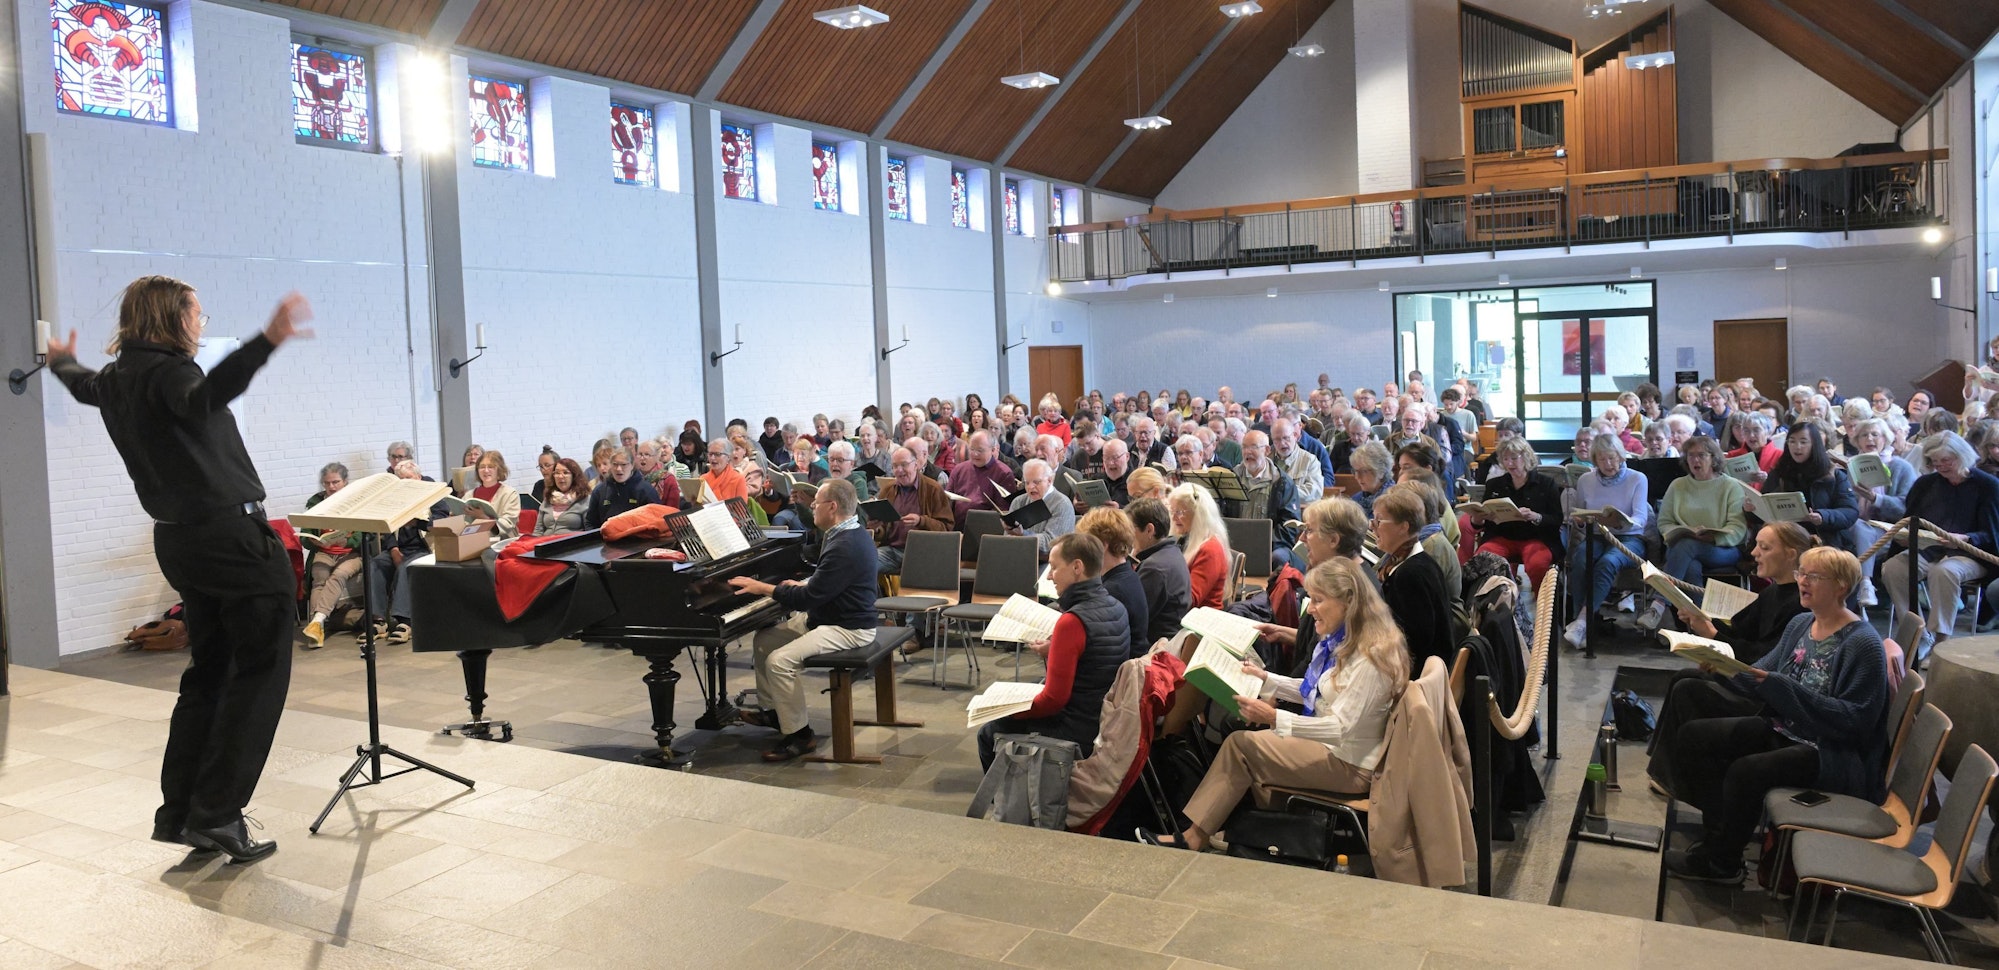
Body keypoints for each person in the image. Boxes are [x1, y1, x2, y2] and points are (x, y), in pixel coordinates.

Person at [49, 279, 310, 864]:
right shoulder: (172, 375)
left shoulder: (118, 378)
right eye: (196, 312)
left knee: (209, 675)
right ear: (172, 317)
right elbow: (204, 397)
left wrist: (60, 361)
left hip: (181, 542)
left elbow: (80, 384)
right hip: (234, 543)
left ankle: (182, 814)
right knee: (258, 676)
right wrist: (265, 342)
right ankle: (217, 813)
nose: (200, 321)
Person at [1140, 559, 1407, 852]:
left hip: (1350, 765)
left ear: (1348, 603)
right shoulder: (1353, 640)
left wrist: (1274, 717)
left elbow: (1339, 729)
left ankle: (1195, 838)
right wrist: (1266, 678)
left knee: (1241, 746)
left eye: (1318, 600)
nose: (1311, 609)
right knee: (1248, 746)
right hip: (1341, 752)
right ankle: (1261, 837)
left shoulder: (1369, 659)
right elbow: (1315, 691)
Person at [1659, 547, 1888, 884]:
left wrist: (1781, 687)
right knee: (1695, 736)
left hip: (1828, 750)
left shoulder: (1863, 643)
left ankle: (1723, 862)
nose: (1802, 582)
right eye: (1801, 573)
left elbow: (1855, 720)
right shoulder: (1801, 623)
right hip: (1786, 728)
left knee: (1746, 771)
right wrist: (1723, 668)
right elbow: (1760, 675)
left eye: (1813, 576)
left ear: (1841, 586)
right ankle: (1718, 837)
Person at [731, 480, 878, 762]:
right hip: (830, 617)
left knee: (780, 661)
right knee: (765, 640)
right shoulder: (846, 532)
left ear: (832, 507)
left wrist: (764, 588)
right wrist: (805, 583)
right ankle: (775, 713)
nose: (812, 508)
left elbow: (807, 599)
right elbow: (829, 582)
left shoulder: (845, 544)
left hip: (849, 628)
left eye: (815, 504)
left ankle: (800, 736)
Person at [976, 533, 1130, 769]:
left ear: (1077, 567)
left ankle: (1012, 794)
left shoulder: (1072, 622)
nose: (1049, 575)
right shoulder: (1116, 606)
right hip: (1102, 718)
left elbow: (1053, 701)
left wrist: (1007, 710)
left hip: (1075, 728)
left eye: (1055, 567)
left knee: (988, 733)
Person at [1883, 431, 1999, 655]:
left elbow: (1993, 534)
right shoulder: (1925, 484)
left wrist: (1967, 538)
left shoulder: (1988, 486)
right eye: (1935, 462)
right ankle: (1917, 633)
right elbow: (1911, 519)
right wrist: (1905, 536)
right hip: (1930, 549)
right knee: (1893, 568)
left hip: (1972, 554)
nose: (1941, 466)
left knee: (1944, 572)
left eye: (1946, 460)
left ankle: (1941, 640)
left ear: (1962, 456)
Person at [1673, 522, 1812, 665]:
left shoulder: (1801, 602)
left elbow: (1763, 657)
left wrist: (1713, 635)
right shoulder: (1770, 592)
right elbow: (1739, 633)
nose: (1754, 553)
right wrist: (1701, 619)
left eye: (1764, 547)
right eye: (1756, 545)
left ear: (1790, 554)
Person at [1564, 434, 1651, 648]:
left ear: (1621, 456)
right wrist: (1580, 522)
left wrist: (1621, 523)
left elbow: (1641, 518)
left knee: (1608, 562)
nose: (1608, 464)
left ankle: (1582, 622)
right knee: (1581, 559)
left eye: (1612, 458)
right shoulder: (1586, 480)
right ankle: (1580, 621)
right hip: (1597, 535)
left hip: (1630, 538)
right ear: (1595, 460)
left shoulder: (1637, 478)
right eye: (1602, 459)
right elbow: (1581, 516)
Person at [1372, 483, 1453, 677]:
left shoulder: (1411, 574)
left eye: (1379, 521)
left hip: (1418, 678)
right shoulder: (1405, 563)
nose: (1372, 527)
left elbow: (1414, 643)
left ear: (1404, 527)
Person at [1655, 435, 1750, 594]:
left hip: (1723, 549)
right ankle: (1696, 610)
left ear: (1713, 458)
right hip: (1682, 548)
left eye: (1701, 455)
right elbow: (1664, 522)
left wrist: (1713, 537)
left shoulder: (1731, 486)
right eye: (1690, 455)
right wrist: (1679, 532)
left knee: (1686, 546)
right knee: (1691, 564)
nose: (1695, 460)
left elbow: (1738, 528)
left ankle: (1660, 600)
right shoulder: (1677, 485)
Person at [1467, 438, 1562, 592]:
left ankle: (1542, 605)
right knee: (1482, 560)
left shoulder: (1546, 483)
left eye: (1513, 458)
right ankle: (1491, 602)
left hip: (1536, 537)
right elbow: (1482, 523)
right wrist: (1477, 519)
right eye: (1505, 459)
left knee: (1538, 565)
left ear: (1526, 457)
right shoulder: (1494, 484)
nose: (1509, 463)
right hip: (1501, 537)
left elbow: (1557, 519)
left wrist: (1535, 516)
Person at [1844, 418, 1916, 607]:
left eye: (1875, 434)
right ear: (1857, 441)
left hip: (1890, 532)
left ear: (1886, 438)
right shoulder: (1850, 467)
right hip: (1853, 529)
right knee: (1858, 527)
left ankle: (1865, 583)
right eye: (1864, 435)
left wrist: (1876, 498)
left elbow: (1907, 508)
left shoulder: (1901, 467)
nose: (1870, 439)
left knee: (1861, 528)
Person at [1754, 423, 1856, 550]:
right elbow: (1764, 510)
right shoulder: (1779, 473)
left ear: (1815, 444)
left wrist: (1822, 516)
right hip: (1785, 538)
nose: (1797, 447)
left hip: (1824, 541)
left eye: (1803, 442)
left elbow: (1850, 511)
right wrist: (1752, 509)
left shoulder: (1833, 475)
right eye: (1792, 441)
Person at [299, 462, 361, 649]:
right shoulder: (316, 502)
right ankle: (316, 628)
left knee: (339, 575)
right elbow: (305, 535)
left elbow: (365, 533)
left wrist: (348, 541)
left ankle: (317, 622)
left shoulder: (357, 500)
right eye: (327, 483)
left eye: (336, 482)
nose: (331, 487)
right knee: (319, 577)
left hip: (350, 553)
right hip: (324, 551)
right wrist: (314, 542)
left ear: (345, 481)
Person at [1078, 507, 1149, 655]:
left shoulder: (1112, 590)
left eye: (1086, 543)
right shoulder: (1128, 574)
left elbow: (1096, 647)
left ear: (1102, 545)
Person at [871, 446, 952, 574]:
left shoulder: (933, 489)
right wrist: (877, 529)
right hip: (891, 551)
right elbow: (883, 530)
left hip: (922, 552)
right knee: (864, 565)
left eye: (904, 465)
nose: (899, 470)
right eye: (895, 466)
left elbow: (946, 528)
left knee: (917, 573)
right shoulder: (888, 490)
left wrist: (921, 521)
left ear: (915, 465)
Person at [1130, 497, 1192, 643]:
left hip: (1155, 646)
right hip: (1171, 639)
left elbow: (1133, 620)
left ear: (1149, 530)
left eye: (1130, 529)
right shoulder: (1173, 552)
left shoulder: (1154, 568)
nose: (1128, 535)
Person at [1168, 483, 1231, 609]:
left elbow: (1190, 600)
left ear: (1198, 515)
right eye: (1172, 511)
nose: (1173, 518)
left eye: (1179, 512)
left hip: (1200, 618)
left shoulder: (1210, 549)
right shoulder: (1184, 538)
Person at [1008, 459, 1078, 558]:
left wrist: (1023, 534)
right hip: (1017, 558)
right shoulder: (1018, 502)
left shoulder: (1062, 504)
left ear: (1049, 480)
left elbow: (1050, 544)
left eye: (1036, 482)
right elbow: (1007, 540)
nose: (1030, 487)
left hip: (1051, 562)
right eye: (1027, 483)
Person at [947, 430, 1017, 526]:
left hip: (986, 527)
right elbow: (948, 500)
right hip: (956, 525)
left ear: (993, 450)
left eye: (980, 450)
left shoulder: (1004, 473)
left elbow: (1003, 510)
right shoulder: (959, 469)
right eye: (972, 449)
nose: (975, 454)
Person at [584, 449, 661, 528]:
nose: (619, 469)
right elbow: (590, 522)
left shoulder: (646, 490)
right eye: (615, 464)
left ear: (632, 465)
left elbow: (658, 520)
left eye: (623, 464)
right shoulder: (599, 491)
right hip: (607, 534)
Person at [465, 450, 523, 540]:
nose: (486, 470)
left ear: (499, 470)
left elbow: (508, 524)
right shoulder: (469, 495)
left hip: (502, 542)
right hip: (474, 541)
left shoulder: (510, 493)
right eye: (482, 467)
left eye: (491, 467)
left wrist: (483, 518)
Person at [535, 458, 590, 535]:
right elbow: (538, 530)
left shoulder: (584, 498)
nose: (560, 476)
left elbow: (589, 530)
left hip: (573, 541)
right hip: (547, 541)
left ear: (574, 476)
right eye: (557, 473)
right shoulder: (548, 498)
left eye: (565, 472)